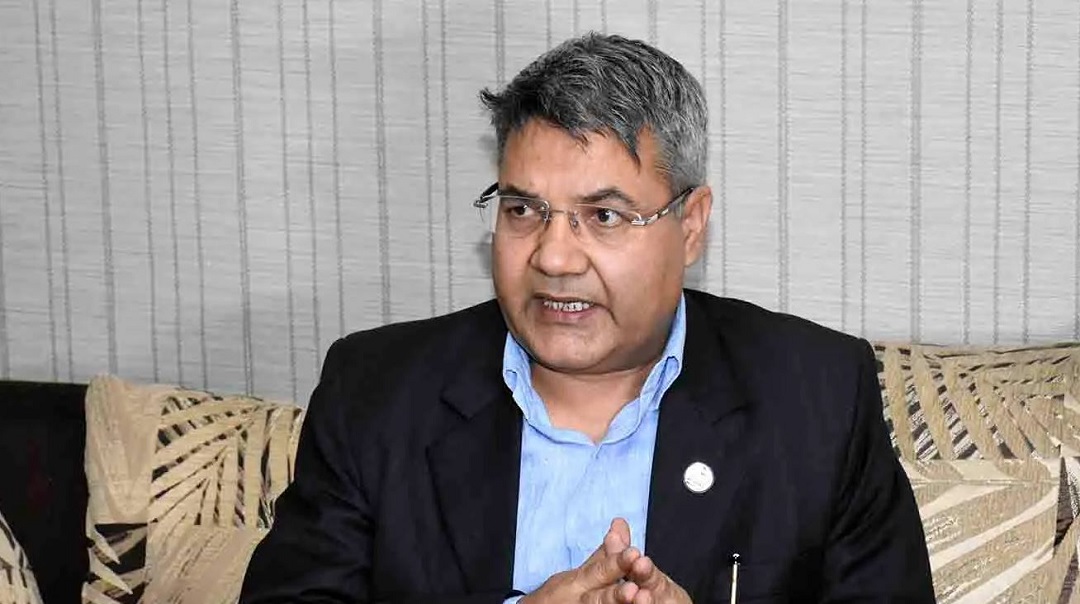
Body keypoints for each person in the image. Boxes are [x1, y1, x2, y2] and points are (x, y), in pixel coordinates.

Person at [239, 33, 934, 603]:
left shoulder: (816, 398)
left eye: (603, 216)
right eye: (523, 210)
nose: (553, 256)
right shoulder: (377, 393)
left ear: (691, 226)